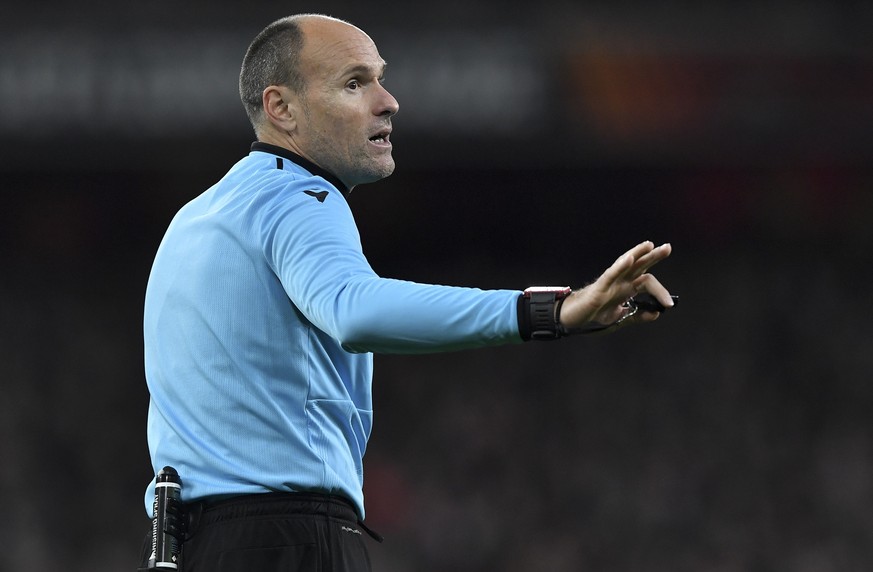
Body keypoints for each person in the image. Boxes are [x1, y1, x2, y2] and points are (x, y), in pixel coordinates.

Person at [138, 13, 675, 572]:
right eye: (354, 83)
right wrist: (549, 311)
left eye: (379, 78)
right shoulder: (299, 197)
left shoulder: (197, 218)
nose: (387, 100)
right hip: (288, 541)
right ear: (282, 108)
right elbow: (354, 310)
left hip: (187, 548)